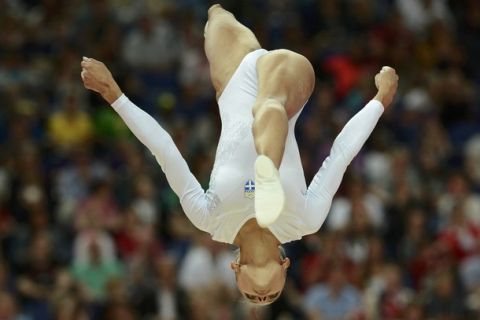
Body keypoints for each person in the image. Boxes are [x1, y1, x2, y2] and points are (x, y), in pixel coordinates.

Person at [80, 4, 398, 305]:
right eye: (270, 297)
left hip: (233, 83)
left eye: (251, 297)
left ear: (235, 270)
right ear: (285, 265)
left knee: (216, 17)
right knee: (269, 105)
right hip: (287, 84)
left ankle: (267, 160)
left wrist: (115, 95)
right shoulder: (304, 221)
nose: (261, 297)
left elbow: (165, 151)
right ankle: (268, 167)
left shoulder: (210, 219)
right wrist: (379, 102)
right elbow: (339, 157)